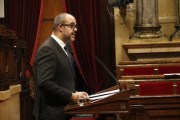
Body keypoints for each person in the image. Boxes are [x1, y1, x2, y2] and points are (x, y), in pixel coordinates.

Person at [33, 13, 89, 120]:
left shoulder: (62, 48)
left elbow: (61, 80)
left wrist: (75, 93)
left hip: (62, 111)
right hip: (51, 114)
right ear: (60, 27)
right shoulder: (48, 49)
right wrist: (71, 96)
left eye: (75, 26)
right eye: (72, 26)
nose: (75, 29)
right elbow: (44, 83)